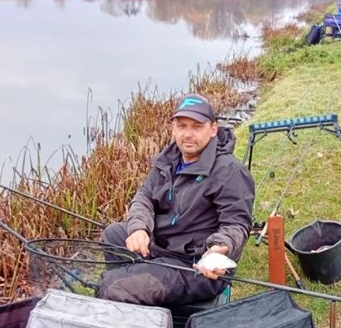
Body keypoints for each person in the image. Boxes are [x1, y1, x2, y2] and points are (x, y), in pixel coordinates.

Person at [100, 93, 254, 307]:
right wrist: (139, 228)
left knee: (112, 287)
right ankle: (142, 296)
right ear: (173, 128)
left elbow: (237, 224)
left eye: (196, 126)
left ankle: (135, 291)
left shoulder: (230, 171)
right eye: (182, 126)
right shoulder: (168, 160)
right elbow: (144, 197)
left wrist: (218, 248)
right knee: (113, 234)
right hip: (163, 246)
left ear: (213, 129)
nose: (188, 134)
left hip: (196, 265)